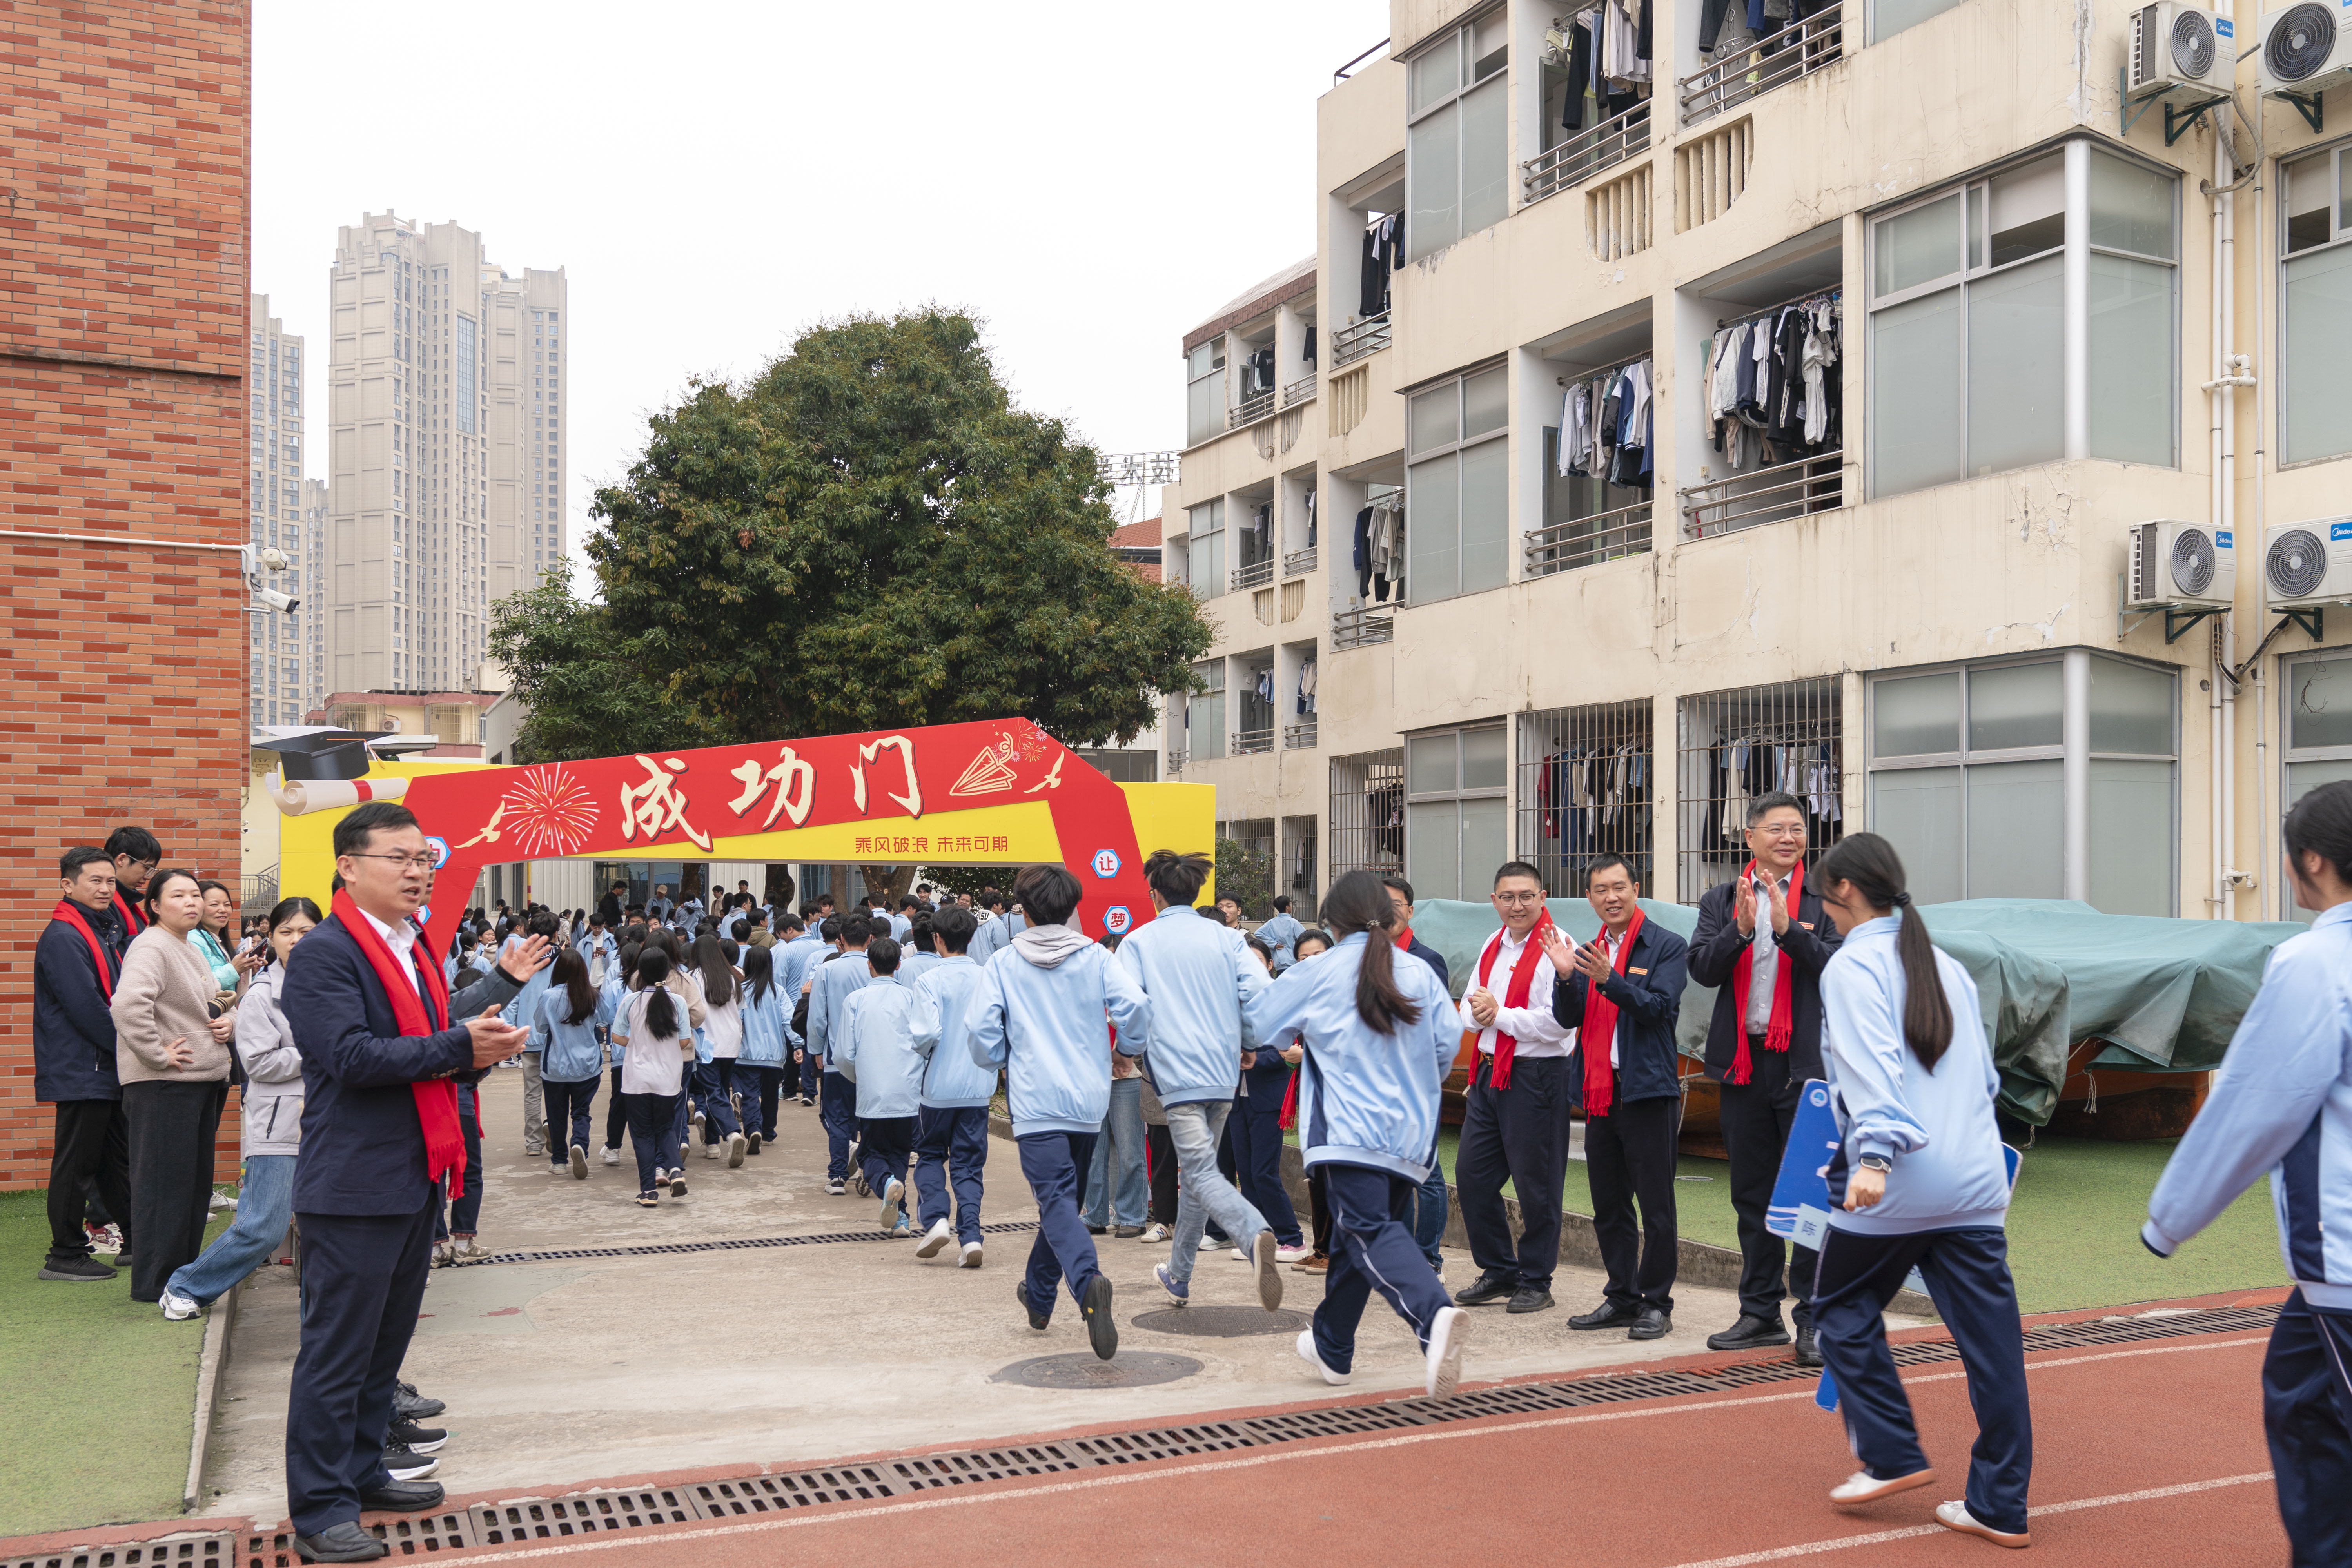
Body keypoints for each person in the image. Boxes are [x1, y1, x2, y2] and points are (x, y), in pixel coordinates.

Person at [276, 802, 531, 1559]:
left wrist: (478, 1040)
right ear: (349, 867)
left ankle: (361, 1473)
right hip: (355, 1183)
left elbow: (429, 1043)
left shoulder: (411, 946)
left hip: (415, 1173)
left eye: (425, 859)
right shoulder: (327, 953)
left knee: (381, 1351)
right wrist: (460, 1046)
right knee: (337, 1354)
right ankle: (321, 1510)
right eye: (401, 858)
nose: (418, 871)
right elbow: (351, 1057)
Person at [2144, 780, 2352, 1563]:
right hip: (2329, 1279)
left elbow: (2257, 1106)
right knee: (2299, 1391)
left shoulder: (2316, 962)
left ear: (2312, 861)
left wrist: (2170, 1219)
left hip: (2344, 1255)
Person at [1803, 832, 2030, 1549]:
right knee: (1993, 1347)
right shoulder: (1946, 966)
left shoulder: (1850, 966)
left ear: (1845, 891)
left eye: (1822, 896)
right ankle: (2000, 1505)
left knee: (1838, 1306)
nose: (1821, 909)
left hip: (1899, 1178)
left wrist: (1873, 1157)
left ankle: (1893, 1452)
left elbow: (1871, 1068)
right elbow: (1986, 1080)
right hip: (1975, 1178)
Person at [1243, 869, 1470, 1398]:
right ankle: (1332, 1345)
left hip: (1347, 1131)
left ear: (1331, 922)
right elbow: (1447, 1046)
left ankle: (1433, 1315)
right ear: (1390, 917)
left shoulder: (1317, 970)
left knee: (1367, 1229)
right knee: (1358, 1240)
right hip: (1410, 1136)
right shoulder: (1419, 972)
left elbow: (1259, 1025)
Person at [1686, 791, 1844, 1363]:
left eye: (1797, 828)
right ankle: (1759, 1313)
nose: (1788, 838)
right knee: (1751, 1194)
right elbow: (1702, 969)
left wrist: (1790, 931)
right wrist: (1741, 930)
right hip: (1744, 1064)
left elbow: (1841, 969)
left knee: (1809, 1195)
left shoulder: (1829, 898)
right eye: (1776, 828)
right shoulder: (1721, 898)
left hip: (1806, 1066)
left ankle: (1814, 1318)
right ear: (1749, 837)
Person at [969, 863, 1151, 1360]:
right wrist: (1125, 1050)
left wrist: (1001, 1059)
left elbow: (981, 1033)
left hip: (1036, 1102)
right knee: (1062, 1204)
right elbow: (1136, 1009)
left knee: (1055, 1202)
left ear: (1023, 910)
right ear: (1073, 907)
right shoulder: (1096, 957)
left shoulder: (1004, 963)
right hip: (1088, 1100)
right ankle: (1038, 1295)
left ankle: (1088, 1281)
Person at [1115, 850, 1283, 1312]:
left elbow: (1132, 1007)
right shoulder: (1228, 938)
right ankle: (1179, 1275)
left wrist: (1127, 1050)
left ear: (1155, 894)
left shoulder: (1139, 941)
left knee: (1202, 1173)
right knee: (1198, 1176)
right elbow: (1260, 993)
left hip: (1177, 1074)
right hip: (1223, 1073)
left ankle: (1254, 1233)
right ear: (1195, 892)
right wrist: (1249, 1040)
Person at [1538, 854, 1690, 1340]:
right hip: (1601, 1094)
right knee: (1609, 1204)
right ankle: (1622, 1297)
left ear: (1636, 889)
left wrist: (1611, 980)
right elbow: (1569, 1018)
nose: (1612, 897)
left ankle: (1656, 1303)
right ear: (1590, 897)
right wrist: (1567, 977)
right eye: (1601, 889)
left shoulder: (1667, 945)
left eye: (1619, 887)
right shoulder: (1589, 951)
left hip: (1648, 1092)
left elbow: (1658, 1009)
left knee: (1656, 1207)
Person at [159, 897, 323, 1318]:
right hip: (280, 1126)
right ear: (271, 938)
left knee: (325, 1227)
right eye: (286, 931)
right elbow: (260, 1063)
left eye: (306, 931)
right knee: (264, 1227)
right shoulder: (262, 996)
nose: (296, 940)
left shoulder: (336, 988)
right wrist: (324, 1052)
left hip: (331, 1124)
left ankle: (323, 1314)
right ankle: (186, 1286)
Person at [1453, 861, 1575, 1316]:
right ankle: (1499, 1269)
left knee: (1536, 1183)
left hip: (1537, 1076)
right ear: (1494, 901)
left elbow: (1560, 1024)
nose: (1517, 905)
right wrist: (1481, 1014)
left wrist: (1499, 1014)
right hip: (1490, 1073)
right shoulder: (1493, 943)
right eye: (1507, 897)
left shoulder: (1559, 945)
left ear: (1543, 897)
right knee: (1472, 1176)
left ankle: (1537, 1279)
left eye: (1526, 896)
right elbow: (1469, 1004)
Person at [109, 867, 235, 1303]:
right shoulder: (151, 945)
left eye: (195, 894)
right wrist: (157, 1054)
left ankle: (181, 1278)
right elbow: (127, 1005)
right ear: (156, 906)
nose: (192, 902)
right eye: (178, 895)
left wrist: (228, 1022)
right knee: (164, 1187)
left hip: (198, 1081)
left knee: (192, 1188)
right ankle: (154, 1284)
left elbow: (217, 1001)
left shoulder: (189, 947)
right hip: (164, 1084)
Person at [36, 847, 136, 1283]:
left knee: (115, 1161)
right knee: (77, 1165)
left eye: (111, 881)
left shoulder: (99, 929)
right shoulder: (64, 936)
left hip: (101, 1066)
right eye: (95, 880)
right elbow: (87, 1007)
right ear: (68, 885)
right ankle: (64, 1253)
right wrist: (134, 1049)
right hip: (83, 1068)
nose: (106, 888)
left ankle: (138, 1240)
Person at [907, 905, 993, 1266]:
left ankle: (937, 1219)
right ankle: (971, 1237)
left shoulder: (929, 980)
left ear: (938, 939)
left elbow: (926, 1033)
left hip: (938, 1088)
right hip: (978, 1087)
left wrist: (925, 1052)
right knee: (969, 1164)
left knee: (929, 1155)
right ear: (971, 939)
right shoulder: (988, 978)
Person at [1383, 876, 1453, 1274]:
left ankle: (1428, 1258)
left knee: (1426, 1174)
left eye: (1395, 904)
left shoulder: (1427, 959)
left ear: (1410, 911)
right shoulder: (1367, 957)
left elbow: (1436, 1025)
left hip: (1414, 1081)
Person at [838, 937, 923, 1235]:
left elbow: (844, 1055)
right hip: (908, 1092)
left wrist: (861, 1079)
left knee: (870, 1154)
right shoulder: (912, 998)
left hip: (873, 1092)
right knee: (900, 1152)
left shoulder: (855, 1000)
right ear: (899, 965)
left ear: (869, 965)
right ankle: (900, 1217)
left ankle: (886, 1183)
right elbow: (926, 1042)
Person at [1232, 938, 1307, 1259]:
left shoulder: (1280, 1002)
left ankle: (1293, 1238)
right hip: (1237, 1100)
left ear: (1270, 965)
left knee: (1264, 1172)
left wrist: (1248, 1060)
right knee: (1246, 1173)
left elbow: (1285, 1053)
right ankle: (1257, 1238)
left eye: (1256, 962)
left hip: (1268, 1099)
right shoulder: (1230, 1002)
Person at [609, 949, 691, 1207]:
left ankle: (648, 1193)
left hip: (637, 1079)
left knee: (643, 1135)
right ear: (667, 972)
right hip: (668, 1078)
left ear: (640, 974)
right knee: (665, 1128)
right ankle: (675, 1171)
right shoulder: (678, 1002)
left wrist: (637, 1043)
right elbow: (685, 1041)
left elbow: (616, 1036)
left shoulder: (631, 1001)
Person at [808, 914, 877, 1194]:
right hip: (872, 1060)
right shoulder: (877, 968)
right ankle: (869, 1168)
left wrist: (815, 1049)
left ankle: (838, 1175)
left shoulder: (827, 970)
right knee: (868, 1117)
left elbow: (818, 1018)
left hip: (837, 1058)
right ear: (870, 939)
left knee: (837, 1117)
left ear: (841, 940)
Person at [534, 949, 612, 1180]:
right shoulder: (593, 996)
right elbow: (606, 1019)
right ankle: (579, 1144)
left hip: (555, 1067)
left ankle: (559, 1161)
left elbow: (541, 1027)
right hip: (587, 1066)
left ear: (558, 971)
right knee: (581, 1112)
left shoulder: (548, 996)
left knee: (556, 1115)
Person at [689, 934, 748, 1166]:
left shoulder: (693, 977)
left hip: (707, 1044)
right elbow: (739, 1009)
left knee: (713, 1093)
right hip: (731, 1044)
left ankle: (732, 1133)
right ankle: (712, 1144)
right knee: (720, 1091)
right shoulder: (731, 978)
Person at [735, 944, 794, 1154]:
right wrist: (798, 1044)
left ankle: (753, 1130)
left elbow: (737, 1022)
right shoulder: (779, 991)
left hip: (746, 1055)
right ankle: (768, 1132)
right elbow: (789, 1021)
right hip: (774, 1056)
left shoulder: (741, 990)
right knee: (770, 1096)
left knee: (750, 1095)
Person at [194, 879, 261, 1002]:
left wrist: (249, 972)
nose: (223, 910)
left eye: (227, 905)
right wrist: (234, 969)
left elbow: (231, 990)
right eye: (214, 905)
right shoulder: (194, 940)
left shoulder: (218, 941)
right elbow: (196, 988)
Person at [106, 824, 162, 938]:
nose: (148, 877)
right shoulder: (102, 903)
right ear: (122, 860)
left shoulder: (128, 903)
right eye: (147, 868)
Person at [1257, 895, 1304, 972]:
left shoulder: (1272, 923)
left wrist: (1274, 944)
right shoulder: (1293, 923)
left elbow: (1258, 933)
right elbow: (1305, 937)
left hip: (1279, 963)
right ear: (1287, 907)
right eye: (1291, 904)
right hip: (1293, 962)